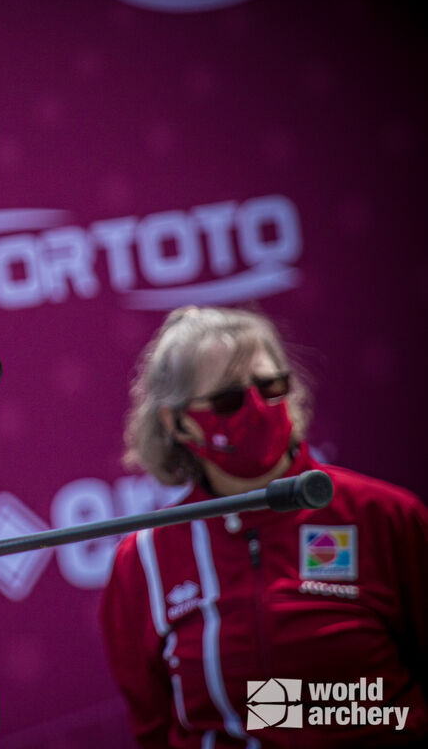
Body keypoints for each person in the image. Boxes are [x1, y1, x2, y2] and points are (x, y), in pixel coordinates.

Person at [100, 305, 427, 748]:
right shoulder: (143, 561)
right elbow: (153, 724)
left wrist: (285, 710)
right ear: (176, 422)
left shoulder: (384, 515)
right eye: (228, 400)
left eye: (271, 387)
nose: (258, 407)